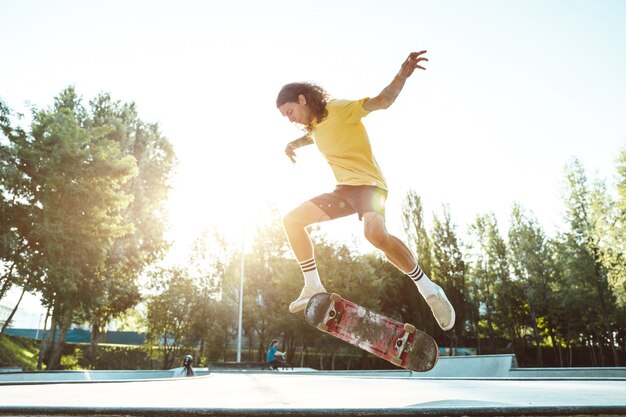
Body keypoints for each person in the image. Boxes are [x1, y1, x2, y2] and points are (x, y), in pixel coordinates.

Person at [276, 51, 455, 331]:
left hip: (371, 186)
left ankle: (429, 289)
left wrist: (402, 74)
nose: (290, 119)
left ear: (302, 99)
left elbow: (383, 101)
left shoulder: (340, 109)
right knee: (292, 221)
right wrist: (293, 145)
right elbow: (314, 136)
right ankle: (312, 285)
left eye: (290, 112)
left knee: (375, 235)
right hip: (344, 191)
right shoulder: (313, 125)